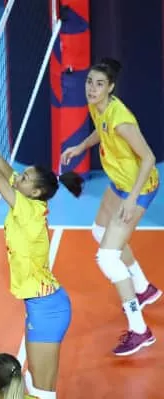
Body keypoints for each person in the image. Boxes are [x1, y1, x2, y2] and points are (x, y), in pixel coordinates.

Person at [0, 75, 84, 399]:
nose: (18, 176)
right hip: (41, 305)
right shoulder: (27, 198)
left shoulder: (26, 209)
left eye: (24, 177)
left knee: (43, 393)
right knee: (34, 386)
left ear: (35, 191)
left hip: (48, 310)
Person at [61, 57, 161, 356]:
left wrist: (131, 200)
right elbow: (100, 130)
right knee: (99, 231)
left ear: (111, 87)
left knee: (107, 258)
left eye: (99, 84)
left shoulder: (121, 119)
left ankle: (140, 330)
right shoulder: (98, 105)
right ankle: (143, 288)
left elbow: (149, 158)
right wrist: (80, 147)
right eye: (90, 82)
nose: (92, 88)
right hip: (119, 182)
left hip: (138, 188)